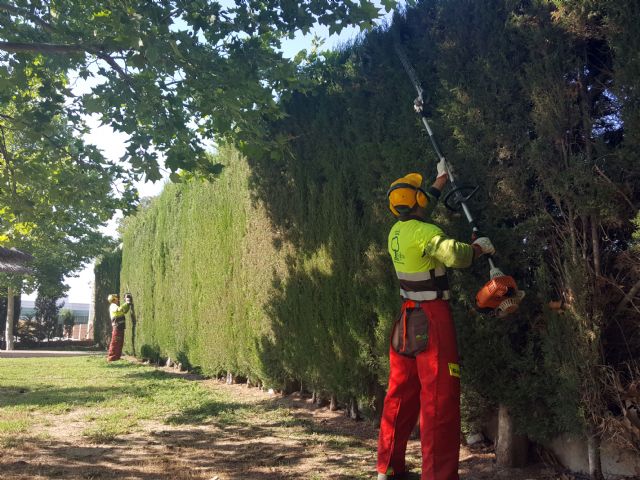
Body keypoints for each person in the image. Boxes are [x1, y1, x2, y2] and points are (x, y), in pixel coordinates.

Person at [376, 159, 496, 480]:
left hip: (406, 318)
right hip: (433, 318)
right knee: (439, 400)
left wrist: (441, 179)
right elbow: (456, 255)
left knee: (399, 394)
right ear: (416, 203)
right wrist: (479, 249)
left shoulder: (396, 232)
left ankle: (387, 467)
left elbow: (420, 203)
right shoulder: (427, 232)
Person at [106, 293, 132, 362]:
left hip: (120, 327)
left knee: (120, 342)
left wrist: (128, 304)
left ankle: (117, 357)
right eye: (116, 298)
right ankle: (111, 357)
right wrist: (126, 302)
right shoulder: (113, 305)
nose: (118, 299)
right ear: (114, 299)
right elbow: (120, 309)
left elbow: (124, 311)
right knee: (115, 342)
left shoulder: (115, 306)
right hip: (117, 327)